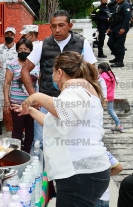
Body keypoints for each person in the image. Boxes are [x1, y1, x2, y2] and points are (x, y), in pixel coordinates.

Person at [13, 51, 111, 206]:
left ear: (59, 73)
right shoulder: (80, 89)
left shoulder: (75, 88)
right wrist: (30, 111)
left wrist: (37, 97)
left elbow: (64, 111)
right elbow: (53, 123)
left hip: (81, 175)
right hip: (85, 174)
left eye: (53, 72)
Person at [21, 10, 97, 149]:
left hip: (73, 103)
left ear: (70, 25)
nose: (57, 29)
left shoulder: (82, 43)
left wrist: (87, 93)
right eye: (53, 26)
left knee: (71, 142)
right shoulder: (42, 45)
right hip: (46, 101)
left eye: (61, 25)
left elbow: (92, 71)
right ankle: (43, 170)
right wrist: (33, 96)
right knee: (42, 143)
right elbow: (25, 69)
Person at [3, 38, 34, 153]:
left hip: (32, 103)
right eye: (20, 49)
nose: (23, 51)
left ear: (31, 51)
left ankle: (28, 153)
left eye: (26, 49)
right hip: (16, 103)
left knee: (31, 130)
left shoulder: (36, 65)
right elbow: (7, 82)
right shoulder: (12, 64)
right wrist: (6, 100)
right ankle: (16, 154)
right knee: (17, 130)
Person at [0, 26, 18, 136]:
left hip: (15, 81)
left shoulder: (18, 49)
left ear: (14, 36)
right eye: (7, 34)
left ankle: (17, 128)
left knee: (15, 104)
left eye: (11, 34)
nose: (9, 36)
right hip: (1, 81)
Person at [98, 62, 124, 131]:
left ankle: (118, 124)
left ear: (100, 69)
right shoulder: (111, 74)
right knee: (110, 110)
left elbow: (103, 87)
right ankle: (118, 124)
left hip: (105, 96)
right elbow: (117, 79)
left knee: (100, 110)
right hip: (111, 95)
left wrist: (104, 97)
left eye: (98, 70)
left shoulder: (102, 77)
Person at [107, 0, 131, 67]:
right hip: (115, 26)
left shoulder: (126, 5)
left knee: (120, 44)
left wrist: (123, 28)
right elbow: (114, 17)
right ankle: (117, 57)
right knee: (110, 43)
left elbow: (127, 17)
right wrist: (110, 27)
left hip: (121, 26)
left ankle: (120, 61)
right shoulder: (117, 5)